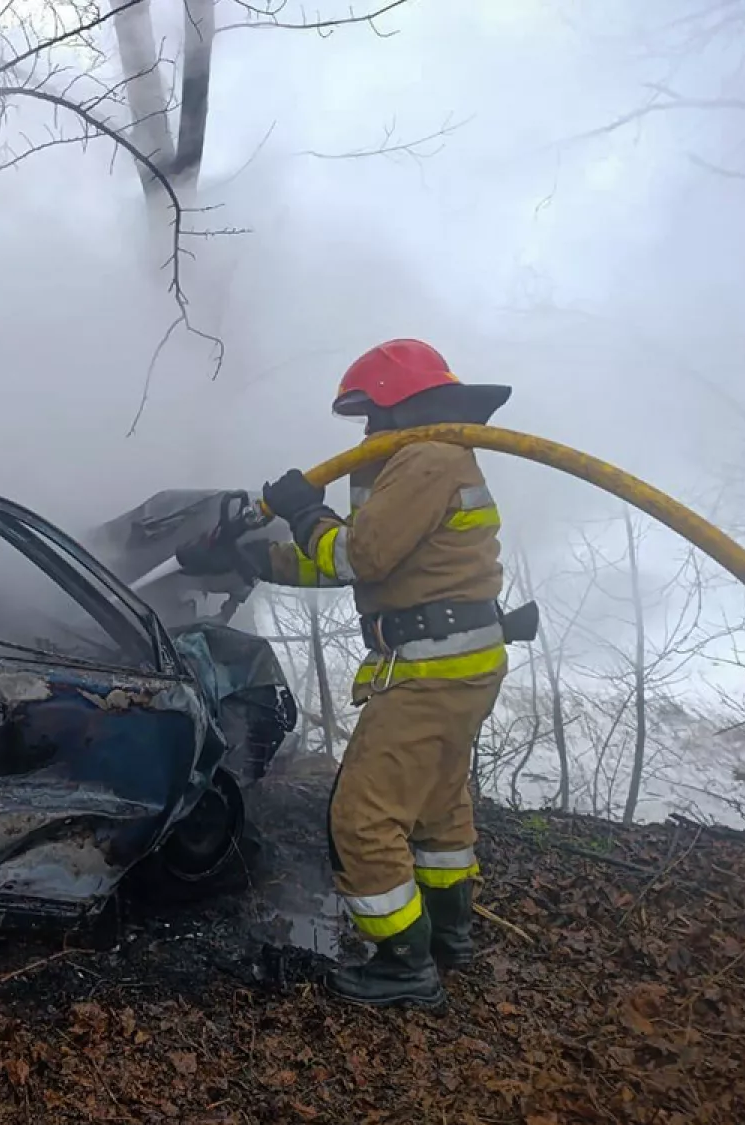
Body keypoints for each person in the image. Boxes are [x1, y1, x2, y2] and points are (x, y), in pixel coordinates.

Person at [176, 338, 514, 1009]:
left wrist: (305, 510)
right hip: (460, 661)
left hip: (431, 666)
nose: (363, 432)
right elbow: (349, 561)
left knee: (361, 818)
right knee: (438, 807)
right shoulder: (432, 459)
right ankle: (450, 938)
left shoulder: (423, 458)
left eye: (369, 414)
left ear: (397, 403)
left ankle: (403, 967)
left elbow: (358, 553)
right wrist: (256, 559)